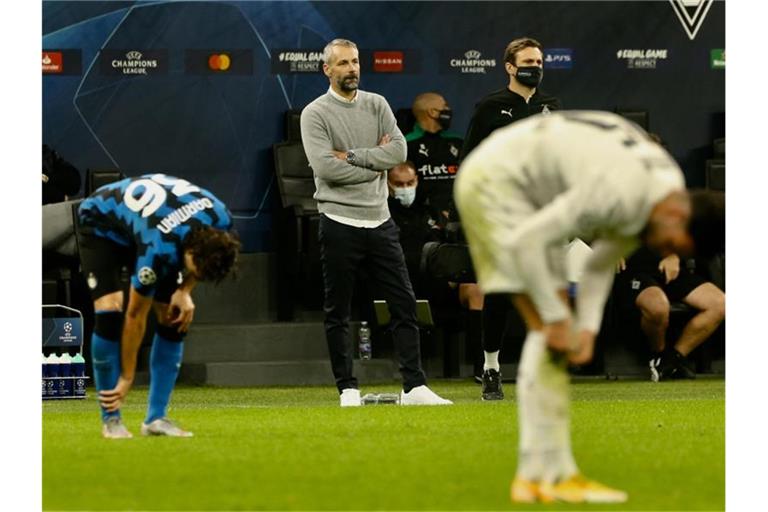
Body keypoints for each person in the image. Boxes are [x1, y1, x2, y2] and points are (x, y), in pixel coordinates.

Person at [454, 110, 724, 503]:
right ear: (677, 213)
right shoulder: (618, 190)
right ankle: (540, 475)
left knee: (556, 329)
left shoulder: (664, 190)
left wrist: (587, 329)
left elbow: (599, 264)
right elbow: (528, 242)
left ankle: (548, 475)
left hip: (535, 186)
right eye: (673, 242)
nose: (665, 250)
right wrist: (559, 316)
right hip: (495, 185)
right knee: (549, 322)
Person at [300, 38, 451, 407]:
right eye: (343, 63)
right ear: (327, 69)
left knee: (403, 302)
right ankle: (347, 389)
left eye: (355, 62)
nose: (351, 69)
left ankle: (414, 387)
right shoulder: (315, 113)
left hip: (380, 221)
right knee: (339, 308)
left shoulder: (378, 104)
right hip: (338, 219)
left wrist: (352, 157)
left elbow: (398, 153)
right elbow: (324, 168)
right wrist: (374, 164)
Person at [77, 173, 240, 438]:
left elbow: (202, 265)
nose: (198, 277)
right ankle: (111, 420)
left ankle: (156, 419)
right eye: (196, 272)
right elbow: (135, 316)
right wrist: (128, 376)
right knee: (110, 309)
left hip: (148, 224)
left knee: (173, 315)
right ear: (189, 254)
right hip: (101, 223)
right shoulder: (160, 249)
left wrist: (184, 290)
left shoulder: (221, 219)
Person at [460, 37, 562, 400]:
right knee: (500, 293)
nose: (535, 67)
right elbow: (470, 163)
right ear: (509, 66)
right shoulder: (490, 107)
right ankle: (491, 367)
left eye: (539, 61)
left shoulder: (551, 106)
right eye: (528, 61)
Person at [387, 162, 484, 370]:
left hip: (438, 281)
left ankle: (484, 368)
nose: (405, 189)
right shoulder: (383, 213)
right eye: (399, 184)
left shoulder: (430, 211)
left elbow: (447, 247)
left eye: (410, 183)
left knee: (475, 287)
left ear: (417, 181)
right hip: (403, 280)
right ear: (388, 184)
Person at [617, 248, 725, 381]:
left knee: (720, 304)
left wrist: (675, 255)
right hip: (634, 270)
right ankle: (659, 353)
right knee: (658, 306)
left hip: (673, 270)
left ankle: (671, 360)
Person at [405, 92, 464, 222]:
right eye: (445, 106)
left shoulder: (458, 142)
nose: (448, 111)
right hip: (419, 218)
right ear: (432, 112)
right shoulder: (406, 145)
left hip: (459, 215)